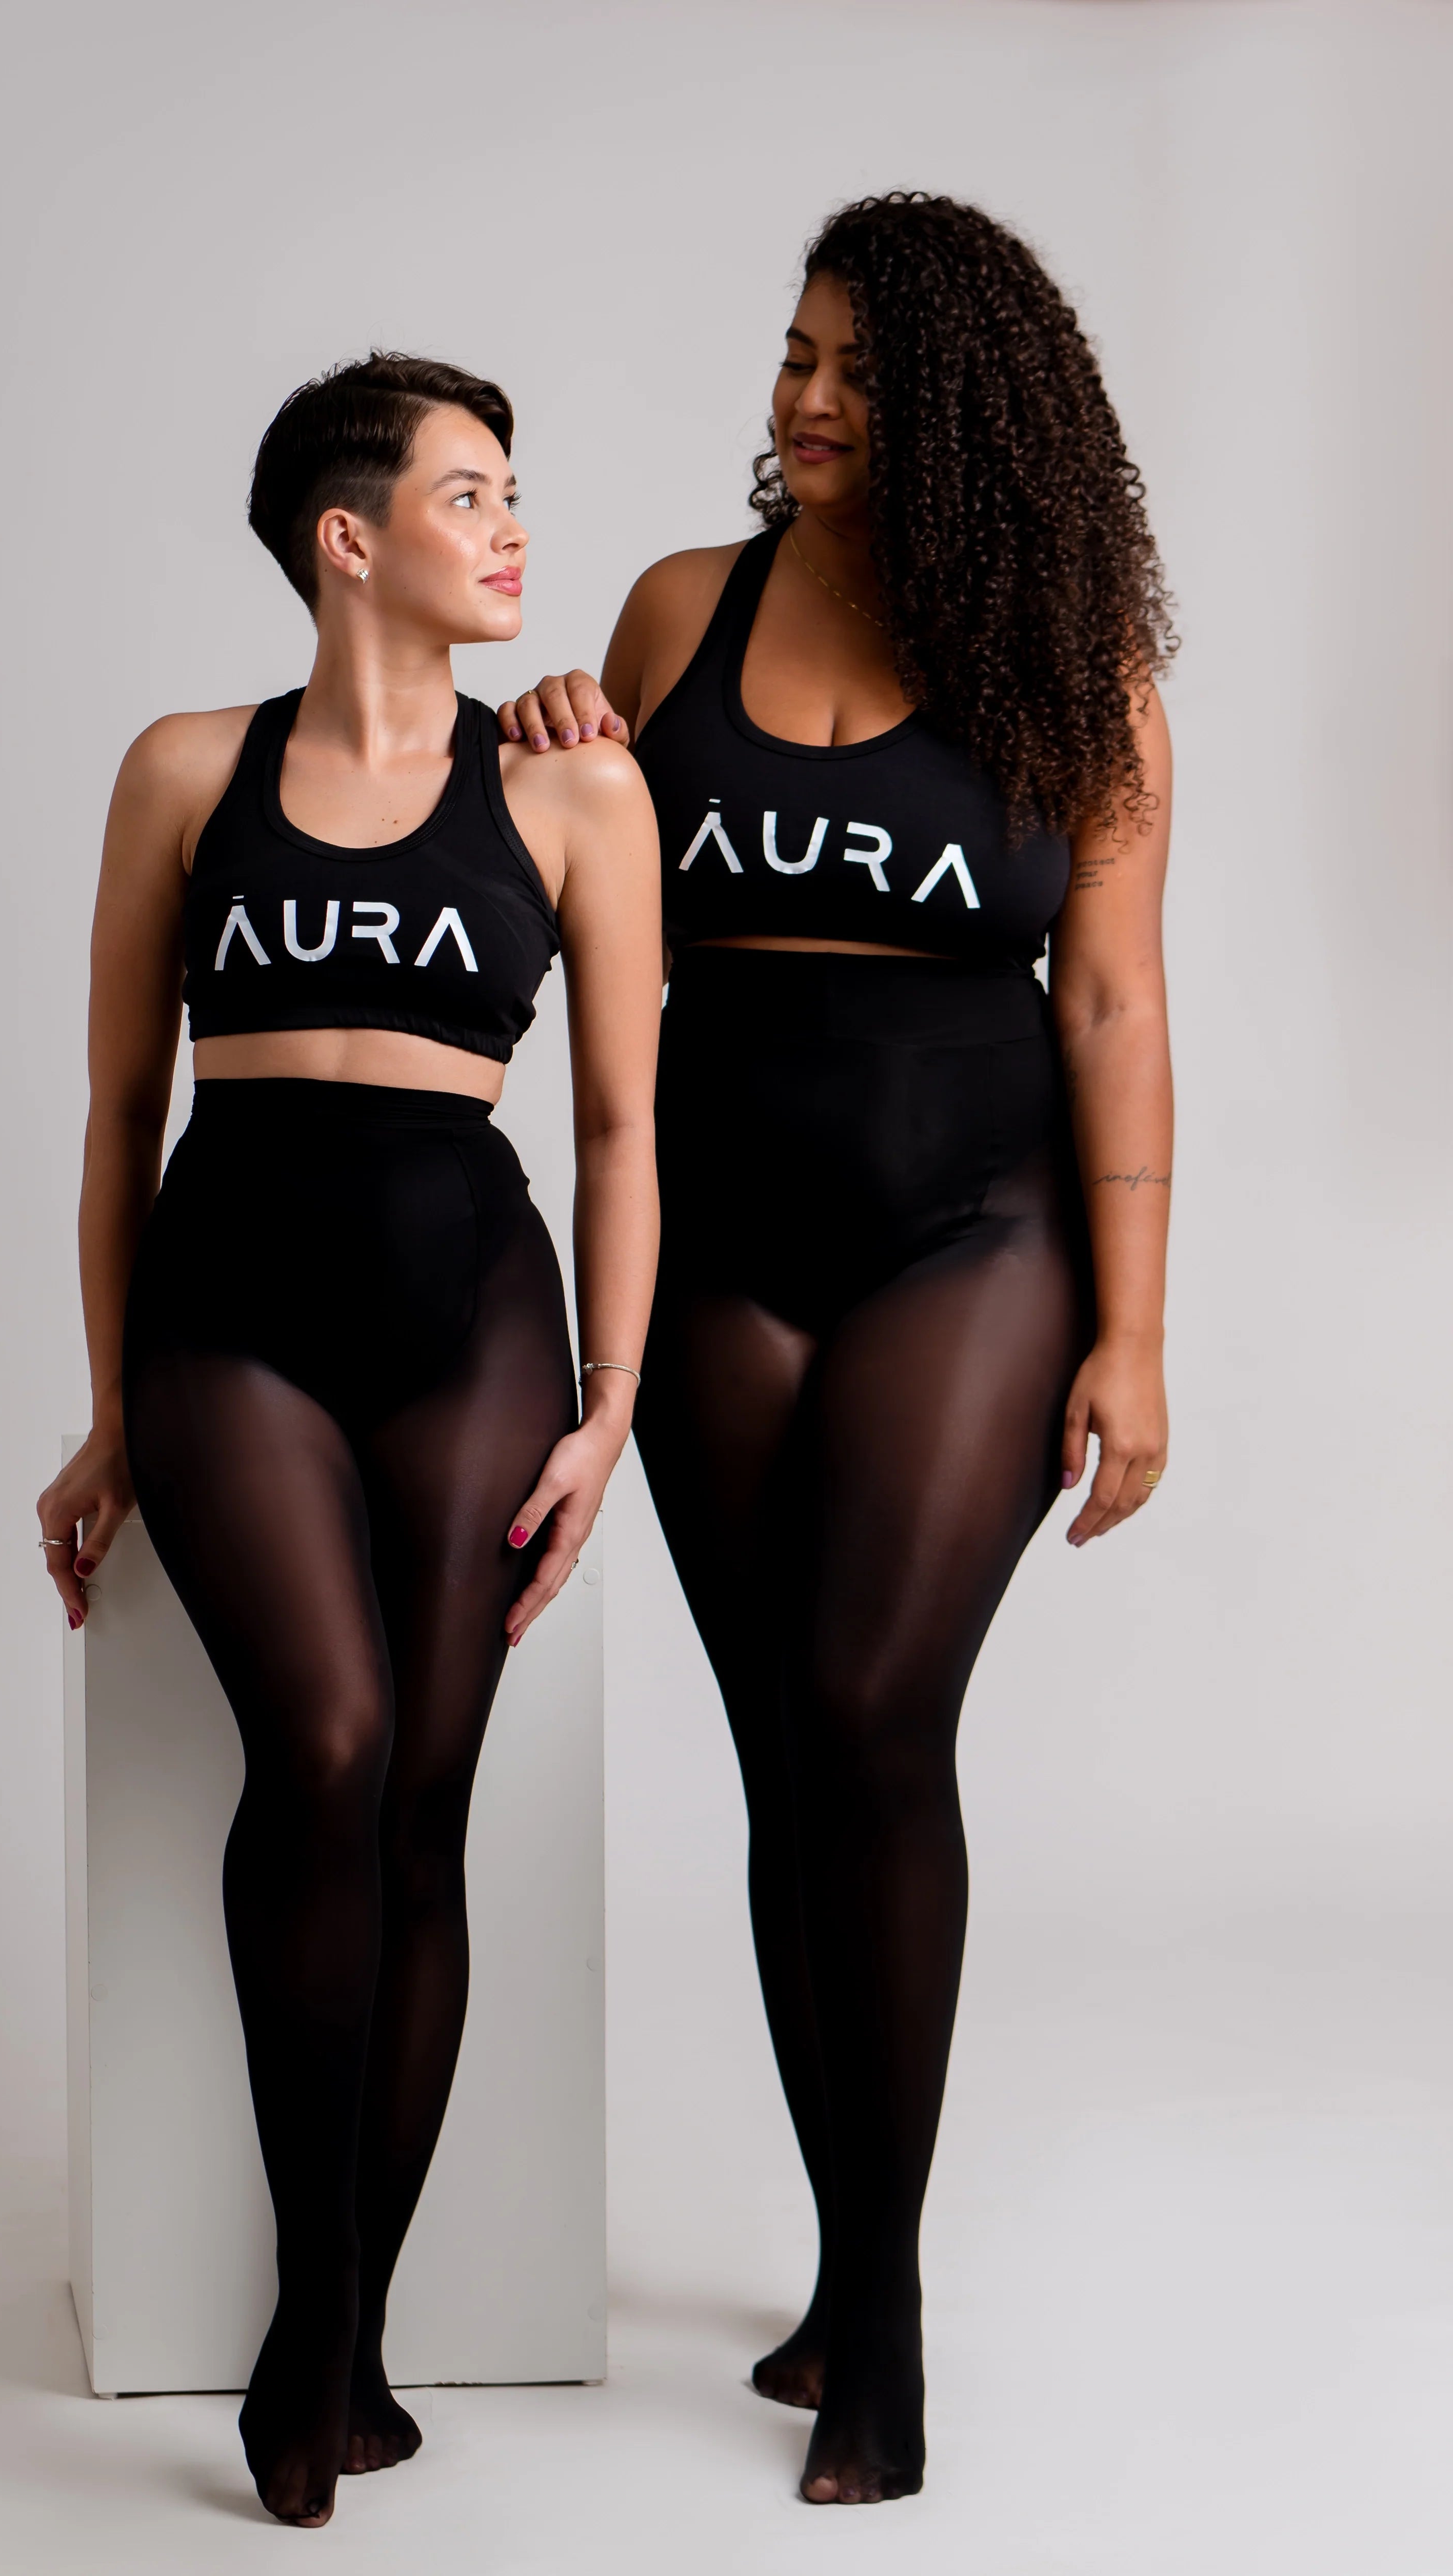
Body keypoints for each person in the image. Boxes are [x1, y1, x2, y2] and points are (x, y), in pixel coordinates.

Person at [501, 192, 1175, 2507]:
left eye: (861, 373)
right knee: (794, 1760)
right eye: (796, 353)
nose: (805, 399)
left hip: (972, 1238)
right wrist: (551, 741)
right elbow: (582, 893)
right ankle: (835, 2263)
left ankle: (880, 2321)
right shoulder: (679, 609)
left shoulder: (1071, 674)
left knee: (878, 1715)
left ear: (966, 412)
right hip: (719, 1251)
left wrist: (1138, 1332)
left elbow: (1111, 1001)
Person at [36, 354, 661, 2528]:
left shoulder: (574, 794)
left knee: (418, 1798)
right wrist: (112, 1407)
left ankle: (348, 2332)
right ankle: (317, 2322)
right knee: (319, 1741)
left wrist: (611, 1406)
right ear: (348, 537)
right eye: (469, 494)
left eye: (513, 491)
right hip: (233, 1316)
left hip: (469, 1317)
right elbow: (121, 1114)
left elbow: (619, 1127)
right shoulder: (184, 770)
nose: (511, 527)